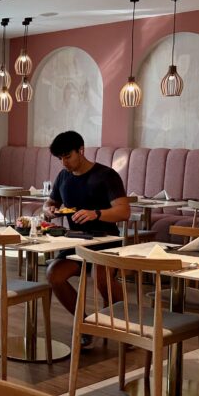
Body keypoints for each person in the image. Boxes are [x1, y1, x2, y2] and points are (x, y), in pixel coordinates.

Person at [43, 131, 130, 318]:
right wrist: (49, 211)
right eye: (60, 158)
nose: (64, 163)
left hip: (106, 241)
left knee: (101, 278)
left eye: (68, 156)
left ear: (81, 150)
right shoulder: (63, 177)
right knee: (54, 274)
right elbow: (49, 204)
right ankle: (84, 324)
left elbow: (124, 211)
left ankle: (125, 325)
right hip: (77, 242)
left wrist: (96, 213)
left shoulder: (106, 175)